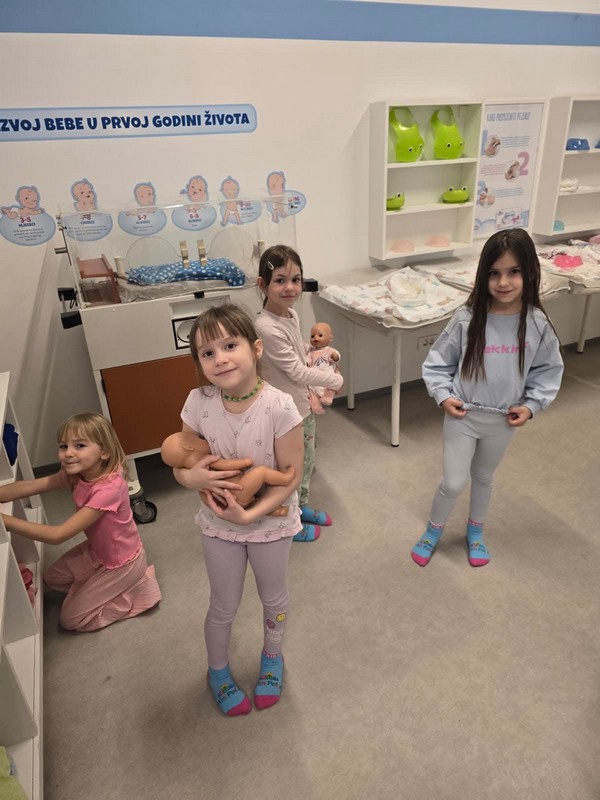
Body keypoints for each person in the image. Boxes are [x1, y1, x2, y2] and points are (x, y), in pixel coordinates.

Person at [173, 304, 303, 715]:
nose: (220, 358)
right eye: (207, 352)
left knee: (274, 599)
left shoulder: (280, 406)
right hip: (218, 526)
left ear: (256, 348)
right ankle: (217, 671)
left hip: (269, 524)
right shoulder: (198, 402)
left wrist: (250, 515)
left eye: (230, 345)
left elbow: (291, 476)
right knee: (222, 605)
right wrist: (190, 478)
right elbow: (183, 461)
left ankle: (272, 658)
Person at [411, 228, 563, 568]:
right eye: (494, 273)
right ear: (483, 275)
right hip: (462, 416)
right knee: (453, 482)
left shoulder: (537, 323)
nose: (503, 282)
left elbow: (548, 370)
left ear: (530, 272)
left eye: (513, 272)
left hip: (502, 421)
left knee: (483, 477)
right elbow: (437, 363)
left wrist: (531, 405)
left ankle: (475, 532)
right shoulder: (466, 318)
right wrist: (443, 396)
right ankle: (433, 531)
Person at [0, 413, 162, 631]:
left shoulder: (108, 490)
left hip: (123, 563)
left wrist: (5, 521)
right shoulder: (78, 473)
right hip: (98, 550)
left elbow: (58, 535)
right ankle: (98, 587)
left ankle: (137, 590)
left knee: (70, 620)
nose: (68, 453)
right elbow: (32, 486)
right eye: (63, 446)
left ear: (104, 452)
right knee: (51, 579)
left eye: (79, 445)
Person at [255, 245, 344, 542]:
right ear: (263, 284)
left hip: (301, 404)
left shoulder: (290, 314)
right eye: (280, 280)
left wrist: (320, 353)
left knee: (306, 461)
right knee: (288, 469)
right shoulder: (266, 327)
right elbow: (295, 371)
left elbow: (299, 351)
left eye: (295, 279)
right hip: (285, 412)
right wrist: (333, 380)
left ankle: (300, 506)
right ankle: (288, 523)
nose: (290, 287)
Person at [160, 430, 295, 515]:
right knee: (261, 472)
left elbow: (205, 496)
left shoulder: (196, 477)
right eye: (199, 439)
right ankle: (286, 478)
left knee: (254, 503)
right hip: (239, 490)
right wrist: (244, 462)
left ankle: (275, 511)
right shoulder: (205, 460)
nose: (204, 440)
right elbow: (226, 465)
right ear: (189, 447)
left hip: (229, 502)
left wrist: (220, 506)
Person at [306, 322, 341, 415]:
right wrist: (306, 363)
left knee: (334, 379)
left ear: (330, 338)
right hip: (315, 374)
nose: (316, 338)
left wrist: (335, 357)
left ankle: (328, 397)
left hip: (326, 373)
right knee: (310, 390)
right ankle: (316, 405)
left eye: (320, 335)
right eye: (312, 336)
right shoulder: (311, 351)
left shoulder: (329, 350)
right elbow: (307, 359)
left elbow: (337, 359)